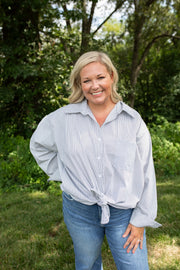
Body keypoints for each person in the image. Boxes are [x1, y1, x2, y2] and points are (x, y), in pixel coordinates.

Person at [30, 51, 161, 270]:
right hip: (79, 210)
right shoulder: (63, 119)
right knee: (87, 265)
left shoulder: (132, 121)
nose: (94, 85)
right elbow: (39, 146)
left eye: (100, 77)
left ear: (111, 76)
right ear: (79, 85)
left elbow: (147, 172)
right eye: (87, 80)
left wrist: (141, 220)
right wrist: (67, 174)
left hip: (123, 213)